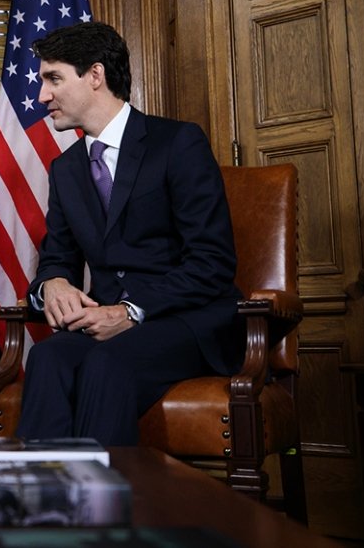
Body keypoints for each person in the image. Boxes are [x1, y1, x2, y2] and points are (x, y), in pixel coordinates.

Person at [17, 22, 244, 447]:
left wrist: (130, 311)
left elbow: (212, 263)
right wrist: (54, 282)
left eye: (54, 78)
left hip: (185, 323)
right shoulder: (65, 170)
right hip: (107, 327)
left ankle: (102, 508)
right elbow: (57, 257)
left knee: (107, 364)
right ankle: (39, 504)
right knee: (48, 356)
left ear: (96, 76)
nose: (42, 95)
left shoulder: (178, 143)